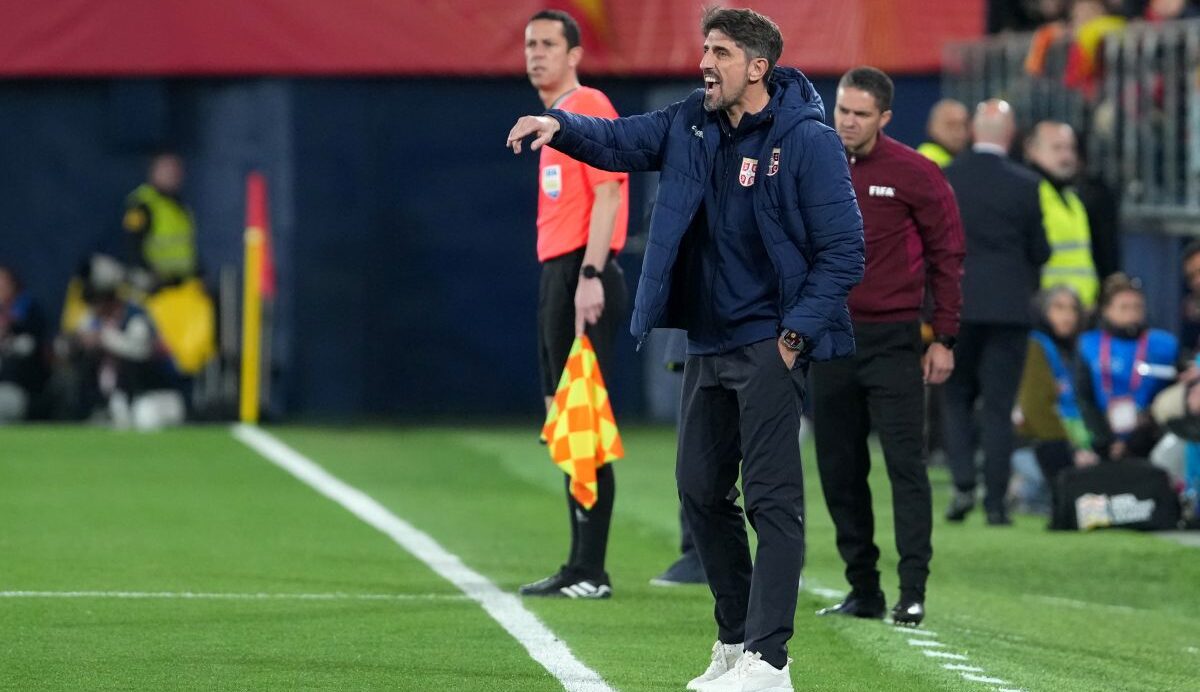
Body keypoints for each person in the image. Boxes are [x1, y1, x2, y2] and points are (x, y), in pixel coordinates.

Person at [506, 7, 864, 690]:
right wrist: (560, 126)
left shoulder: (807, 139)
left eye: (721, 52)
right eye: (704, 49)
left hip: (770, 341)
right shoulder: (691, 121)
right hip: (709, 339)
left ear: (758, 67)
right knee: (699, 494)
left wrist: (793, 339)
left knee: (771, 500)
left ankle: (771, 661)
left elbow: (845, 253)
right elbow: (620, 142)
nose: (706, 62)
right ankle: (734, 643)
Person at [811, 67, 964, 628]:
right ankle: (863, 589)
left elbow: (948, 257)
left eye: (860, 114)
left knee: (906, 466)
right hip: (829, 338)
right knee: (839, 469)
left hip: (895, 339)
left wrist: (943, 336)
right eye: (842, 110)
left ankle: (913, 590)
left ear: (885, 118)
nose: (847, 122)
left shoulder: (917, 173)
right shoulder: (813, 163)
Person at [514, 9, 630, 601]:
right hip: (559, 272)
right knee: (563, 420)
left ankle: (592, 569)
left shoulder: (586, 107)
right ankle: (579, 562)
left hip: (582, 274)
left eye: (548, 43)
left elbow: (609, 193)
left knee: (581, 421)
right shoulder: (552, 122)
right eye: (529, 43)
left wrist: (591, 273)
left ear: (575, 53)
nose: (535, 53)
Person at [942, 99, 1051, 526]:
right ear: (1010, 136)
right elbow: (1040, 250)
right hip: (1009, 307)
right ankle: (996, 505)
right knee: (999, 405)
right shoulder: (1025, 183)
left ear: (974, 132)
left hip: (958, 305)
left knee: (954, 397)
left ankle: (964, 482)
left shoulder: (948, 178)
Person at [65, 255, 184, 429]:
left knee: (145, 415)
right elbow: (74, 342)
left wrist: (104, 338)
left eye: (98, 302)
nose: (95, 308)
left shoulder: (135, 317)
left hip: (157, 396)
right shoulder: (94, 319)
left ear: (110, 299)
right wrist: (79, 342)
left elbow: (140, 351)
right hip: (118, 399)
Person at [1077, 273, 1178, 462]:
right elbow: (1084, 397)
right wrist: (1104, 438)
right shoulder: (1088, 344)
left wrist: (1142, 434)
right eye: (1124, 307)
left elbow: (1171, 394)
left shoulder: (1164, 345)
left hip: (1151, 437)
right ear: (1106, 310)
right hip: (1103, 437)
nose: (1132, 313)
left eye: (1137, 307)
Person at [1014, 286, 1096, 517]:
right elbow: (1035, 410)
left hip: (1073, 440)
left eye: (1072, 309)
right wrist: (1072, 450)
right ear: (1042, 311)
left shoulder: (1077, 349)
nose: (1067, 316)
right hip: (1035, 443)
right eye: (1058, 308)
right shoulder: (1035, 344)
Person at [1025, 121, 1104, 310]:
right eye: (1057, 148)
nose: (1067, 156)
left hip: (1081, 309)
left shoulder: (1073, 198)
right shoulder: (1029, 194)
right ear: (1032, 150)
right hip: (1046, 309)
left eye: (1070, 149)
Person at [123, 152, 198, 293]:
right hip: (152, 289)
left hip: (181, 286)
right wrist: (148, 276)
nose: (172, 175)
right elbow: (130, 246)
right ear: (153, 172)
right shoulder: (143, 205)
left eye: (176, 170)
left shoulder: (180, 206)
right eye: (166, 170)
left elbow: (186, 249)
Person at [0, 265, 45, 422]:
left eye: (2, 284)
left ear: (13, 285)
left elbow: (29, 346)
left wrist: (9, 333)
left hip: (17, 390)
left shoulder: (28, 311)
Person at [917, 99, 970, 168]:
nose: (960, 132)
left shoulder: (965, 157)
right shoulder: (927, 159)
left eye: (964, 125)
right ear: (932, 126)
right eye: (951, 125)